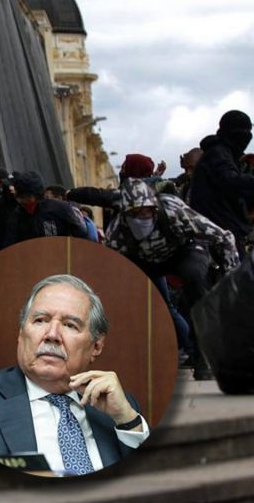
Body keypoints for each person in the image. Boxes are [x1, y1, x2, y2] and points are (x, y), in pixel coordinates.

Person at [0, 275, 149, 476]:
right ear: (21, 333)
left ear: (96, 346)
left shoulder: (120, 411)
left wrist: (128, 422)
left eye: (70, 325)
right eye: (40, 320)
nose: (52, 335)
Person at [104, 178, 239, 379]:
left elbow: (224, 237)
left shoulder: (174, 213)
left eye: (147, 212)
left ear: (154, 209)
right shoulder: (117, 234)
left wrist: (231, 281)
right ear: (124, 215)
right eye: (135, 214)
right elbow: (108, 273)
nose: (142, 217)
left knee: (194, 280)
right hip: (146, 261)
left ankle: (203, 355)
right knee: (130, 298)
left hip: (185, 251)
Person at [189, 110, 254, 252]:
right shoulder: (218, 153)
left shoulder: (223, 153)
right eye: (244, 132)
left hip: (221, 229)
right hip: (219, 231)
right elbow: (230, 182)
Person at [6, 171, 89, 244]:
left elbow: (81, 236)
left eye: (25, 196)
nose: (21, 200)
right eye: (19, 196)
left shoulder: (60, 209)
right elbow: (10, 245)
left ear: (35, 195)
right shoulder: (16, 216)